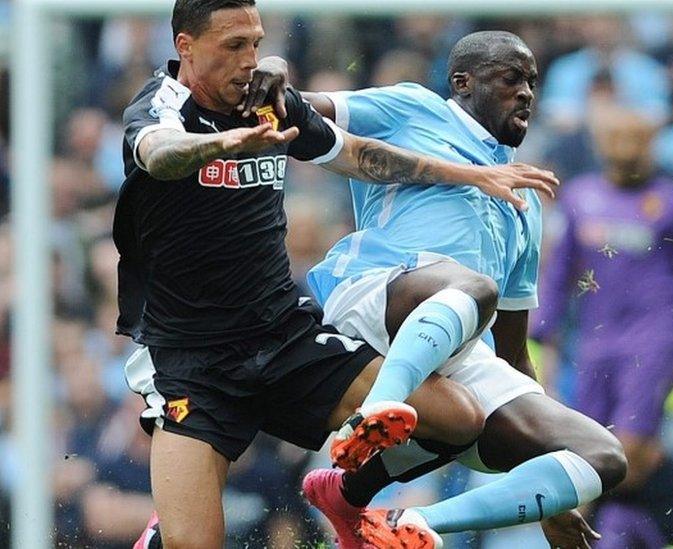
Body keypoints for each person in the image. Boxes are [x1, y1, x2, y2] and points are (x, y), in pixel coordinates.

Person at [118, 2, 557, 547]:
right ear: (186, 46)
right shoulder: (162, 108)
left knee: (458, 418)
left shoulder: (265, 102)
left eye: (255, 43)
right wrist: (222, 144)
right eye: (234, 47)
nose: (249, 59)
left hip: (282, 335)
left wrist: (471, 174)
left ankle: (348, 497)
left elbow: (357, 154)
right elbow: (160, 154)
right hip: (193, 361)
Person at [248, 30, 626, 549]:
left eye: (533, 84)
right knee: (475, 287)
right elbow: (298, 110)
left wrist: (549, 488)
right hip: (376, 293)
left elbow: (513, 351)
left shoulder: (526, 201)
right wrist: (272, 62)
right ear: (462, 82)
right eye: (512, 78)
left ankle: (412, 522)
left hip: (457, 342)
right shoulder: (416, 108)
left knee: (603, 456)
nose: (527, 94)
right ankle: (376, 412)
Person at [533, 104, 673, 548]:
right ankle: (616, 534)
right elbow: (558, 276)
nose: (629, 152)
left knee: (625, 451)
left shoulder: (669, 201)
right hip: (593, 342)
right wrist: (537, 338)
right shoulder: (579, 198)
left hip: (651, 341)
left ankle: (634, 532)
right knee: (586, 456)